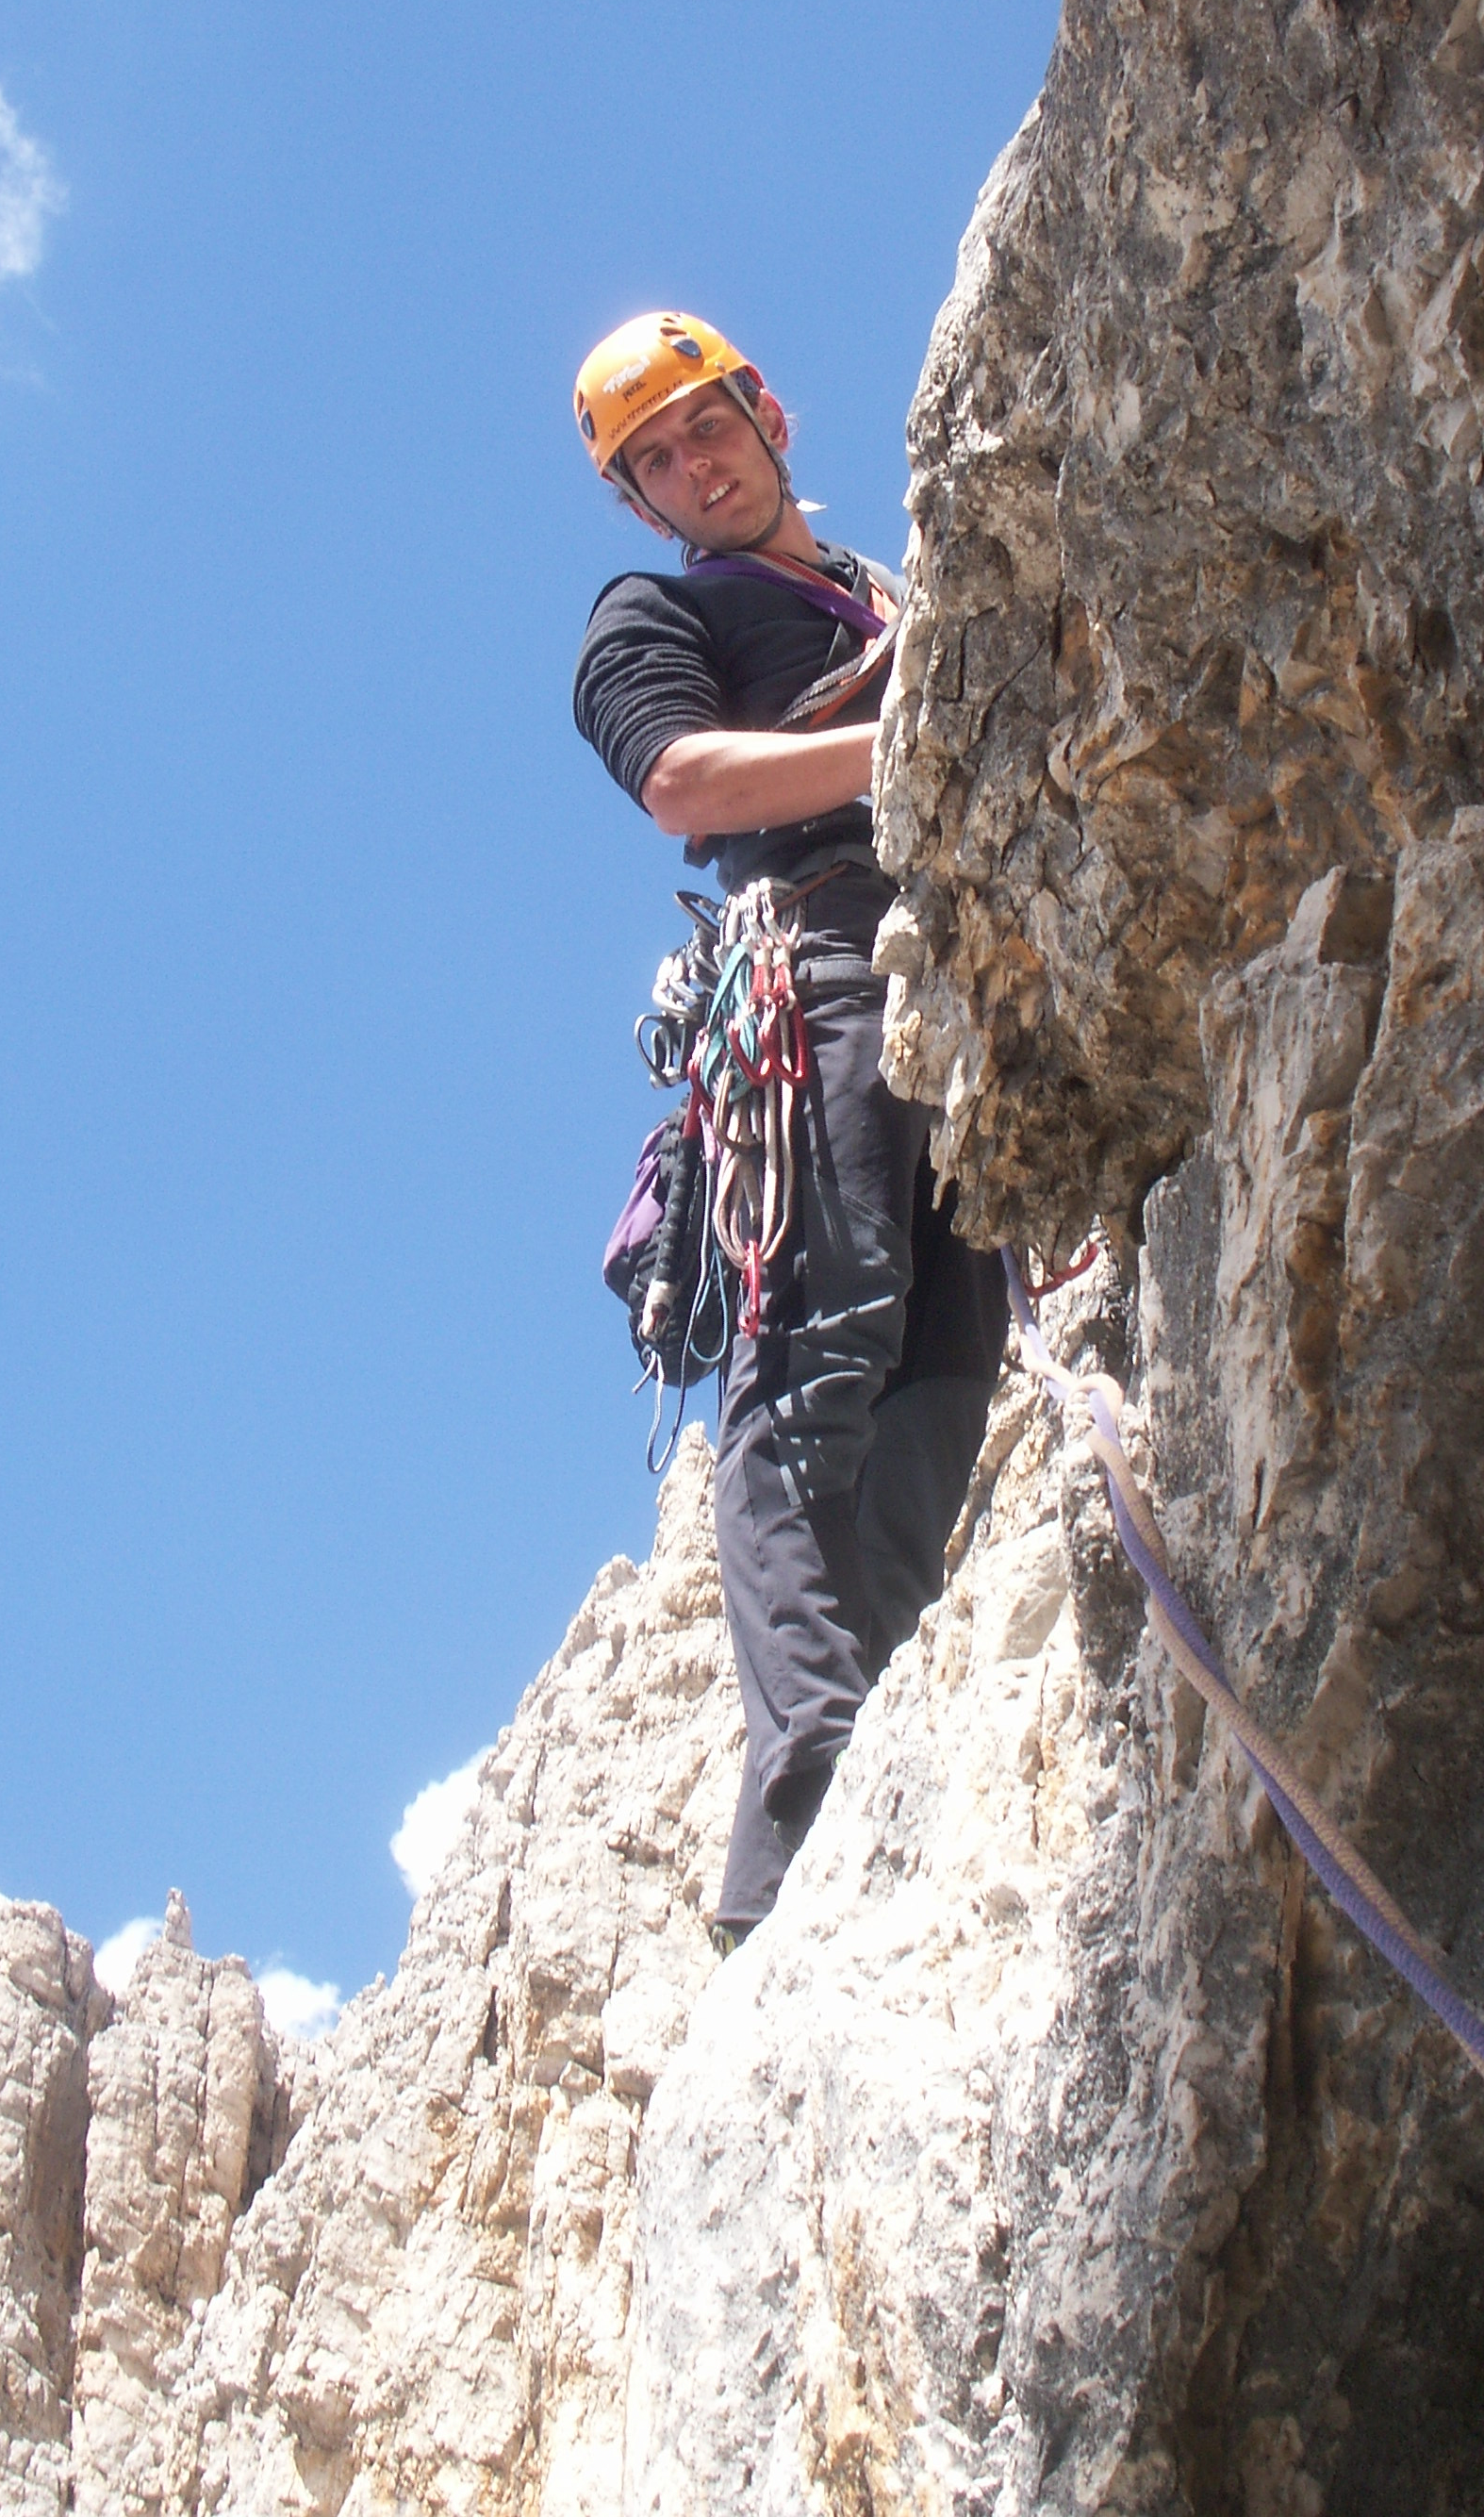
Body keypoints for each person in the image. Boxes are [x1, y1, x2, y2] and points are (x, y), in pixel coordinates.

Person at [572, 310, 1010, 1946]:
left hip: (956, 978)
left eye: (706, 426)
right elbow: (682, 781)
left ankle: (880, 1734)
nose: (696, 468)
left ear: (764, 411)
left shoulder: (894, 595)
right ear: (642, 505)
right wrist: (901, 742)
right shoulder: (658, 614)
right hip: (819, 965)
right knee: (825, 1339)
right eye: (659, 462)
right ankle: (811, 1793)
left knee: (952, 1361)